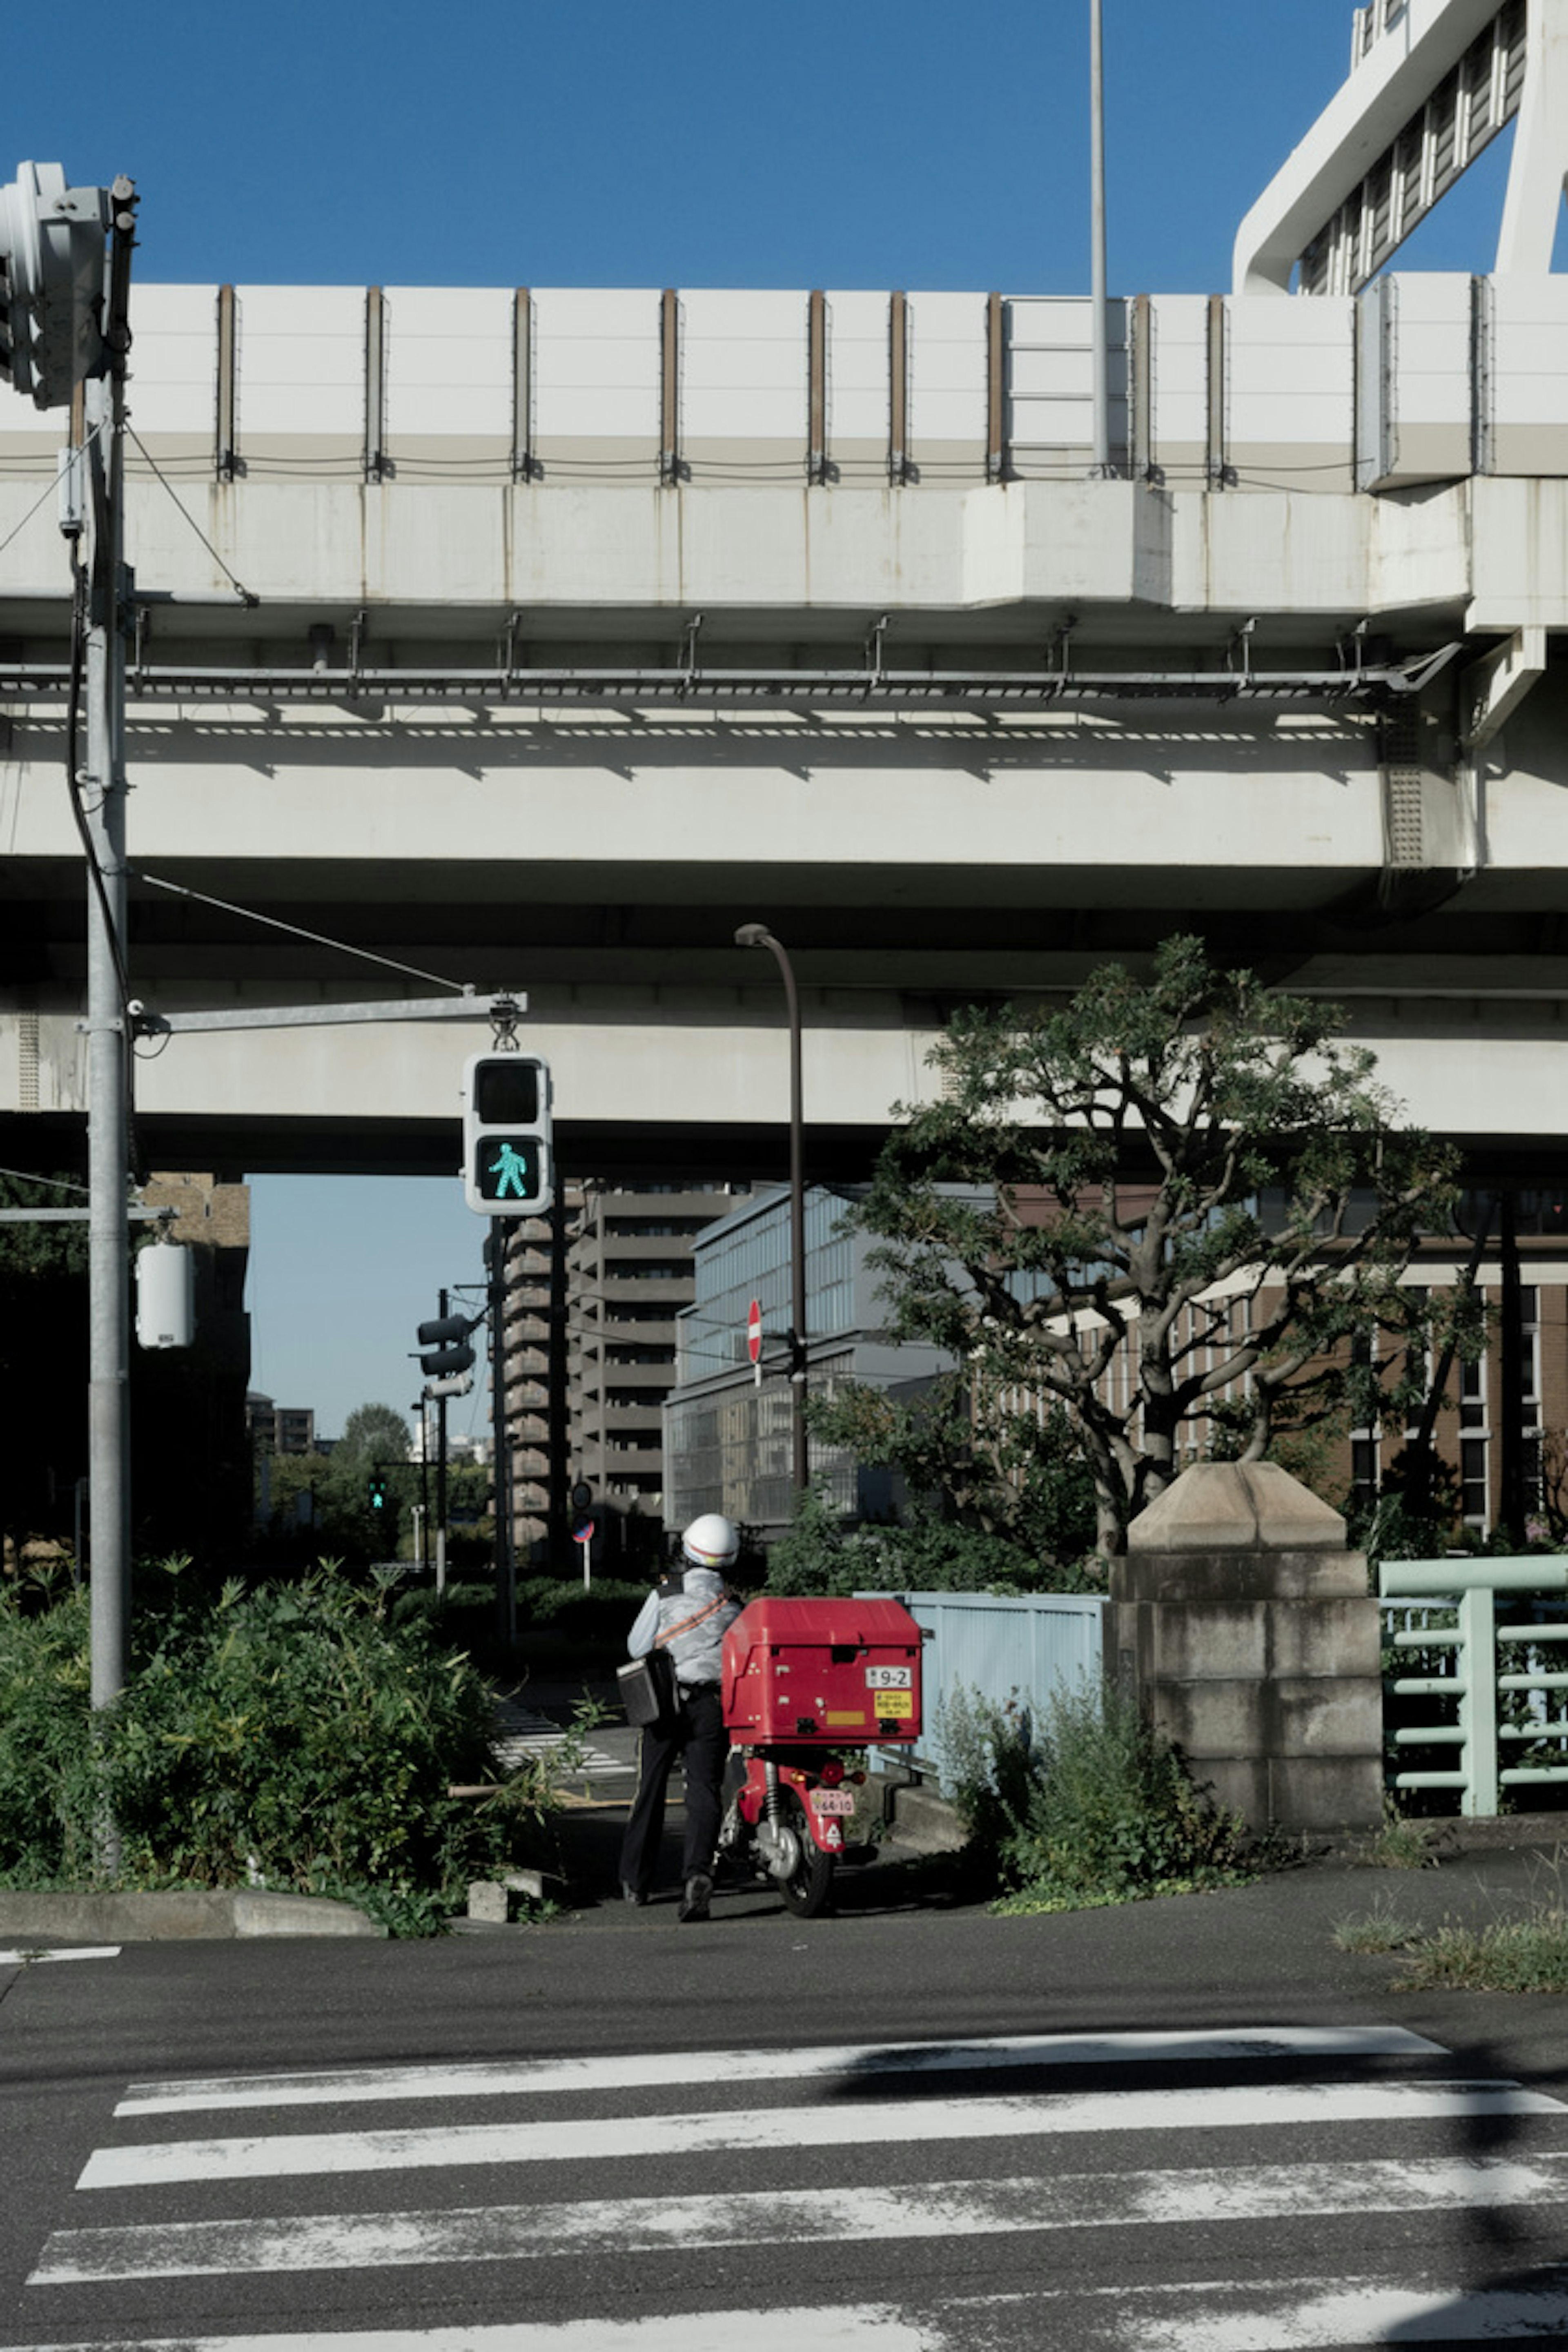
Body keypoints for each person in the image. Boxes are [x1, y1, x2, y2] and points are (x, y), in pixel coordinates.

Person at [618, 1512, 743, 1922]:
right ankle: (697, 1875)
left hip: (664, 1702)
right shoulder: (736, 1605)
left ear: (687, 1550)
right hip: (712, 1706)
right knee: (704, 1790)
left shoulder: (665, 1594)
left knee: (650, 1787)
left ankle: (636, 1881)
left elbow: (637, 1646)